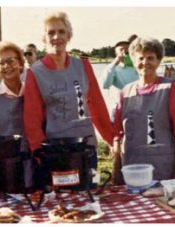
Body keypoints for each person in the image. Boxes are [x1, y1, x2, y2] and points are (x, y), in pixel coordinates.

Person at [24, 11, 113, 169]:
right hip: (56, 152)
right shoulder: (35, 73)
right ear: (44, 38)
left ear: (69, 35)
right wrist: (40, 155)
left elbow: (97, 106)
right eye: (51, 33)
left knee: (90, 191)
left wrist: (112, 139)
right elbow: (32, 119)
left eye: (61, 32)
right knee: (62, 194)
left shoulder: (83, 66)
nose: (57, 37)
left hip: (86, 148)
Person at [112, 37, 175, 185]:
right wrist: (116, 165)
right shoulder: (125, 92)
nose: (145, 62)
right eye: (140, 58)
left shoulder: (172, 88)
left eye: (151, 58)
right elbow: (117, 133)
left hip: (163, 166)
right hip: (131, 166)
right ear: (134, 61)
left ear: (159, 61)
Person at [0, 41, 33, 187]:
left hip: (37, 167)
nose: (7, 66)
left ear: (21, 63)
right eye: (1, 63)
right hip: (8, 171)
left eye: (11, 61)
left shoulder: (33, 92)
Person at [101, 40, 139, 122]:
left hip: (139, 108)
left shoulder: (140, 67)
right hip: (119, 109)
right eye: (121, 49)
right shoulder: (112, 68)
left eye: (128, 49)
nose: (125, 51)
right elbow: (105, 85)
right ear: (116, 54)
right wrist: (115, 63)